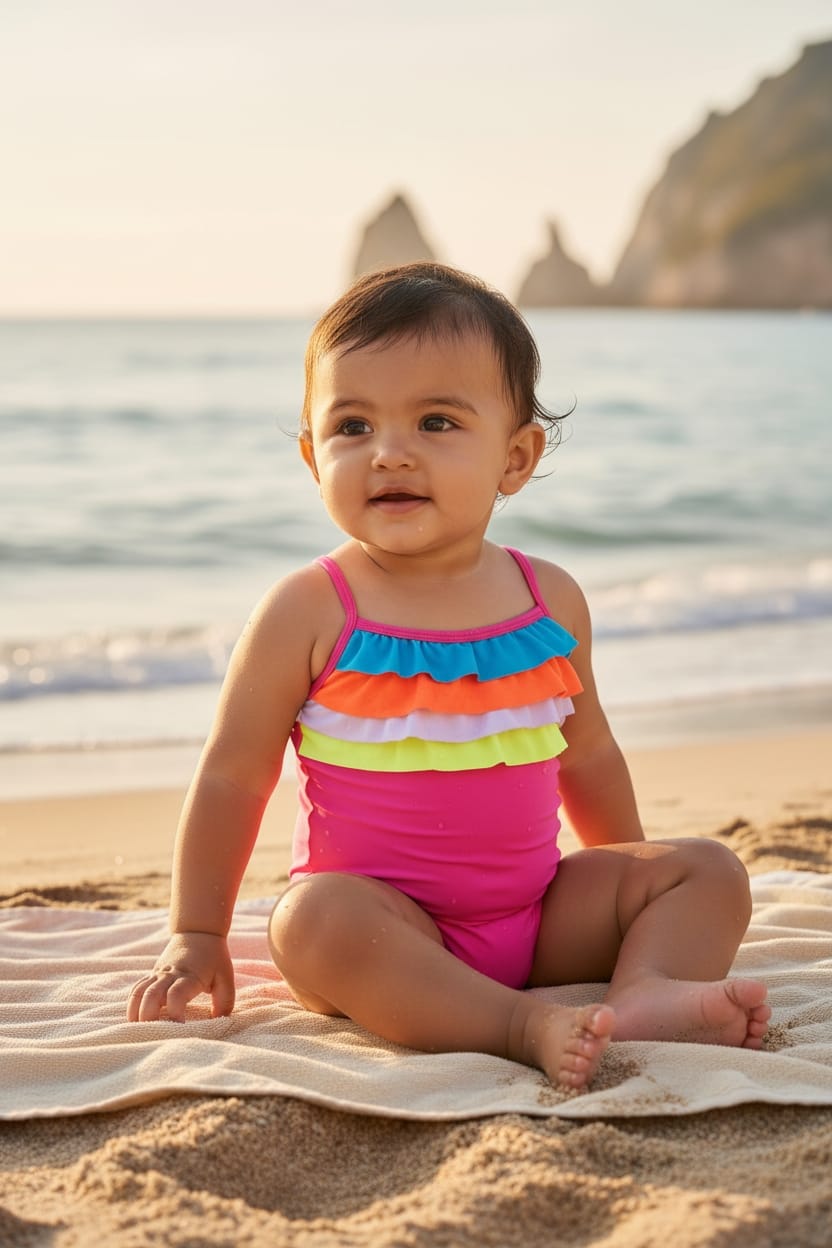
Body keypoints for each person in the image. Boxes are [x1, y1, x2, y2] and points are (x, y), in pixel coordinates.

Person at [128, 262, 770, 1089]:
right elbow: (231, 776)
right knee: (307, 920)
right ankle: (517, 1023)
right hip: (383, 935)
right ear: (310, 456)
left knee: (707, 870)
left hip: (536, 919)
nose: (389, 454)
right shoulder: (310, 609)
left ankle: (646, 989)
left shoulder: (551, 603)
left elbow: (589, 756)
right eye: (352, 427)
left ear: (516, 457)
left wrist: (629, 891)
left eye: (436, 421)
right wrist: (198, 934)